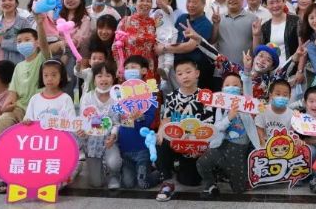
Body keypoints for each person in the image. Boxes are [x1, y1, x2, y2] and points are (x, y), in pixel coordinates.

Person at [0, 16, 52, 193]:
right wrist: (8, 106)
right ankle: (4, 173)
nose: (22, 43)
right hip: (20, 109)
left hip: (41, 111)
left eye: (27, 40)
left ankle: (38, 172)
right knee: (3, 120)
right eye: (19, 41)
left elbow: (45, 46)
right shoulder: (18, 67)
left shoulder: (42, 59)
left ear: (36, 43)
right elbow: (13, 93)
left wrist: (40, 24)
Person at [156, 59, 215, 201]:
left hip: (195, 147)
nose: (185, 76)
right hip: (175, 143)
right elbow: (165, 121)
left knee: (191, 181)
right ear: (176, 77)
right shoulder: (171, 97)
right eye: (180, 73)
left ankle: (180, 167)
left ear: (197, 73)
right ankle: (167, 182)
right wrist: (160, 133)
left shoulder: (206, 97)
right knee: (160, 140)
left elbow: (209, 126)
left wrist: (200, 148)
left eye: (188, 72)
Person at [197, 72, 258, 198]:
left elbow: (247, 85)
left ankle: (227, 172)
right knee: (202, 162)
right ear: (222, 89)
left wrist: (247, 71)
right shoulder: (220, 107)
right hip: (223, 146)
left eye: (235, 85)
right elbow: (217, 127)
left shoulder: (246, 103)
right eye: (227, 85)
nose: (231, 87)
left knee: (239, 189)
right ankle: (211, 184)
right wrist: (229, 118)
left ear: (241, 89)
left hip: (239, 149)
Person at [78, 61, 122, 189]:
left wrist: (113, 136)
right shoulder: (87, 97)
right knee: (96, 183)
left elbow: (117, 123)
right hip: (92, 141)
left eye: (108, 75)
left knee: (114, 163)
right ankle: (97, 168)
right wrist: (82, 131)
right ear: (94, 79)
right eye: (99, 76)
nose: (104, 79)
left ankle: (114, 174)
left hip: (109, 140)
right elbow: (84, 121)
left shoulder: (117, 98)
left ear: (113, 78)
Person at [117, 56, 159, 189]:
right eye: (126, 68)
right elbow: (115, 117)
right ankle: (141, 170)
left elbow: (150, 119)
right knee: (127, 184)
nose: (129, 70)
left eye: (133, 67)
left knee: (143, 183)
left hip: (142, 148)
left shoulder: (150, 93)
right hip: (125, 147)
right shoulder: (120, 92)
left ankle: (161, 173)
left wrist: (141, 116)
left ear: (144, 70)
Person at [169, 0, 215, 90]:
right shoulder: (181, 18)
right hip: (177, 68)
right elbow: (172, 36)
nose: (190, 5)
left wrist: (164, 48)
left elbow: (189, 46)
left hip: (194, 71)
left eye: (195, 2)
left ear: (203, 4)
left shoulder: (206, 24)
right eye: (188, 1)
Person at [210, 0, 261, 70]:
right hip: (222, 69)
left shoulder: (253, 19)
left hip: (245, 70)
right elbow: (212, 41)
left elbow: (257, 48)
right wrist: (215, 25)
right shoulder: (218, 18)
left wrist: (257, 35)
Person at [114, 0, 158, 79]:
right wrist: (120, 66)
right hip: (129, 70)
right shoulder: (125, 21)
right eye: (141, 0)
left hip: (149, 69)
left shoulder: (155, 23)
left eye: (148, 1)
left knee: (148, 88)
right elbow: (116, 46)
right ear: (134, 4)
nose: (145, 3)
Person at [261, 0, 301, 74]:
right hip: (272, 72)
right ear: (266, 5)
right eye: (271, 3)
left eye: (278, 1)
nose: (275, 5)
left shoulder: (296, 21)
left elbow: (302, 48)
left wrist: (300, 71)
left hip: (293, 71)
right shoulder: (265, 26)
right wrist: (256, 35)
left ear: (284, 1)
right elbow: (261, 51)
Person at [0, 0, 34, 64]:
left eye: (10, 0)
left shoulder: (23, 22)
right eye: (3, 0)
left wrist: (2, 42)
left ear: (16, 3)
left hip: (15, 64)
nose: (7, 2)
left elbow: (27, 45)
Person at [254, 79, 293, 144]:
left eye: (285, 95)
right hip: (265, 143)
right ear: (271, 95)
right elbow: (259, 128)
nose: (281, 97)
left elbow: (291, 133)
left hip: (283, 145)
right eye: (278, 94)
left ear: (289, 97)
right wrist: (263, 145)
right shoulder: (263, 110)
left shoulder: (292, 115)